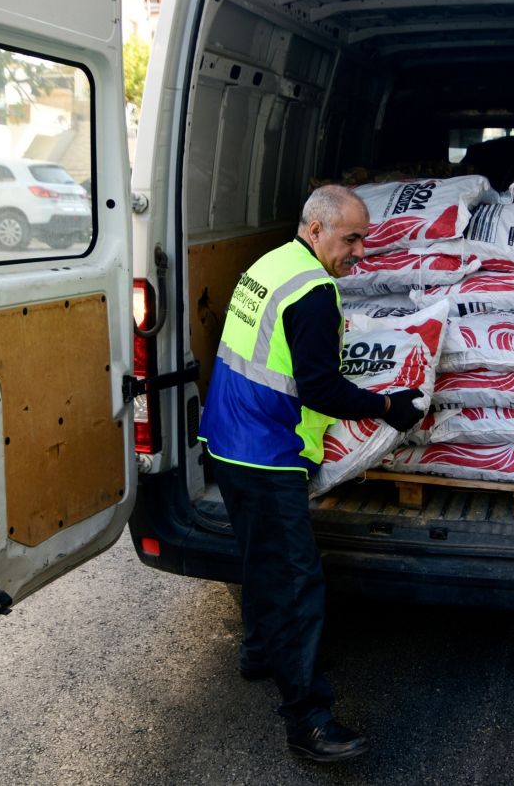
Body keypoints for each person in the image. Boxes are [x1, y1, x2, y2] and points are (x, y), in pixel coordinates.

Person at [196, 185, 426, 763]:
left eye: (364, 239)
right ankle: (309, 721)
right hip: (265, 451)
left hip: (226, 440)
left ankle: (259, 652)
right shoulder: (315, 293)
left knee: (260, 556)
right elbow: (321, 388)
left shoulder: (271, 264)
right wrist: (388, 407)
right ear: (317, 229)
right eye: (352, 239)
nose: (360, 252)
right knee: (296, 582)